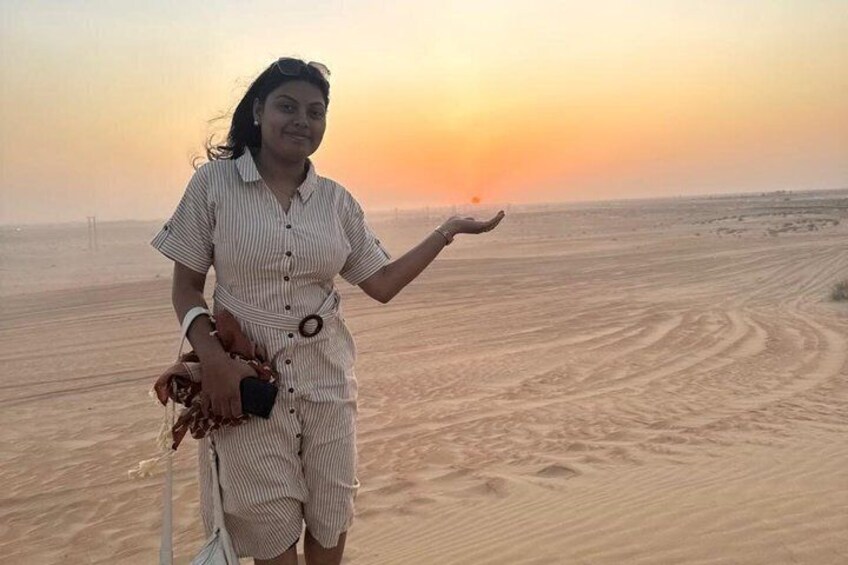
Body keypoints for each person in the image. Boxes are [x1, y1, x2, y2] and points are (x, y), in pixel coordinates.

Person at [151, 57, 505, 565]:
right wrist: (214, 362)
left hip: (327, 380)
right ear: (258, 111)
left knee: (330, 514)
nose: (302, 121)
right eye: (287, 107)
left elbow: (381, 283)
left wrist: (446, 231)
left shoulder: (336, 201)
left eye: (315, 112)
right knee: (267, 526)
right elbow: (186, 288)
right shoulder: (214, 186)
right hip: (248, 383)